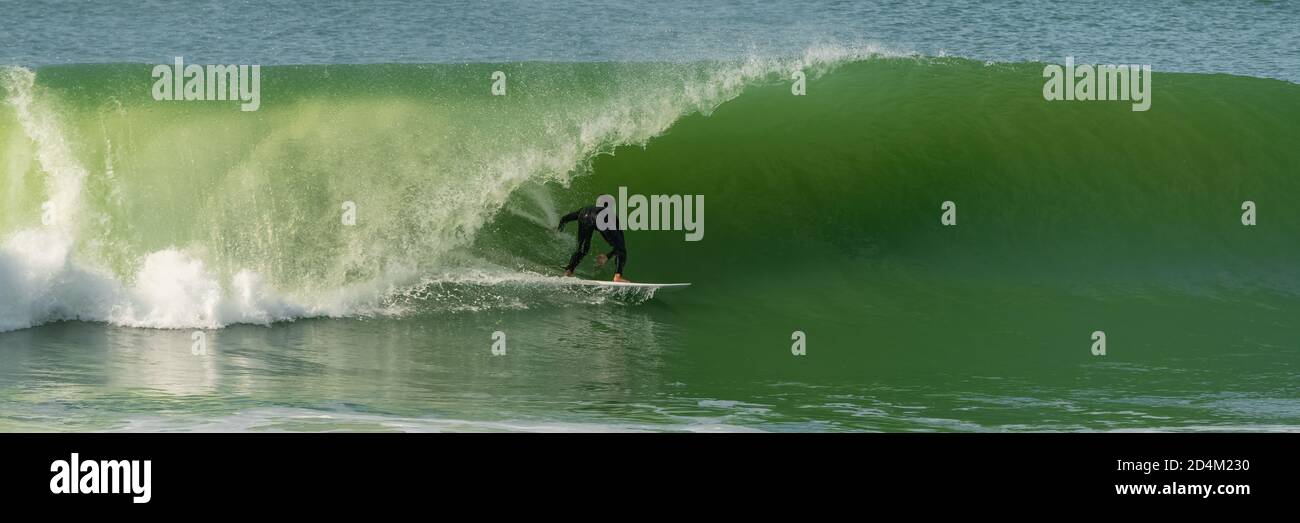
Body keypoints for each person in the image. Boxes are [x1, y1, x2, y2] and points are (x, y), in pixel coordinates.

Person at [557, 202, 627, 282]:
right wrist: (608, 256)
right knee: (621, 249)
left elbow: (565, 218)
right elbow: (620, 246)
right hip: (601, 220)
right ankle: (617, 276)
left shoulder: (585, 209)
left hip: (584, 215)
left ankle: (568, 271)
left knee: (582, 250)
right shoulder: (613, 218)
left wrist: (558, 230)